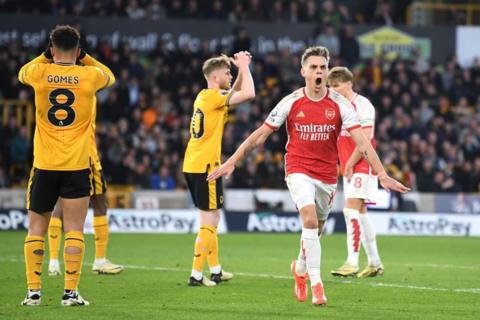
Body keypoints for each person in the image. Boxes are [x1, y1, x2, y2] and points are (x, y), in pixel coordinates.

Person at [207, 46, 409, 305]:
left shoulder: (341, 105)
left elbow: (363, 142)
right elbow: (260, 134)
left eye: (322, 67)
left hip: (326, 175)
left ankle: (300, 269)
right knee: (310, 221)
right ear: (303, 71)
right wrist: (232, 161)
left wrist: (382, 174)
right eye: (313, 67)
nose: (319, 71)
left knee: (317, 229)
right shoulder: (291, 102)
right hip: (298, 169)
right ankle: (317, 286)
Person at [18, 25, 115, 306]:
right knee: (74, 229)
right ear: (78, 48)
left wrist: (46, 57)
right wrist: (84, 58)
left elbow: (22, 71)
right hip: (76, 166)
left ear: (50, 47)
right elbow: (110, 75)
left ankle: (33, 292)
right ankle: (70, 293)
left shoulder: (39, 72)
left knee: (35, 229)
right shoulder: (90, 76)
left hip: (44, 165)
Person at [183, 51, 255, 286]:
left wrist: (239, 69)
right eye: (227, 72)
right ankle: (195, 274)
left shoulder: (206, 96)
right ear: (215, 77)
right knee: (210, 220)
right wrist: (244, 66)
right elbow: (249, 94)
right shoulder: (213, 97)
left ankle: (215, 269)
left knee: (213, 217)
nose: (230, 75)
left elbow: (234, 92)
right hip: (206, 167)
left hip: (195, 163)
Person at [328, 66, 384, 278]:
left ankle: (352, 261)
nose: (332, 90)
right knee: (360, 213)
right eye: (329, 86)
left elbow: (366, 140)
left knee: (350, 210)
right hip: (349, 165)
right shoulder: (338, 106)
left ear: (349, 84)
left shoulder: (363, 105)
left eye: (336, 85)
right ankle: (375, 262)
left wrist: (349, 164)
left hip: (363, 163)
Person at [47, 146, 124, 276]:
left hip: (60, 156)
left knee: (61, 202)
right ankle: (100, 260)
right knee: (100, 205)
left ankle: (53, 263)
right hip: (86, 157)